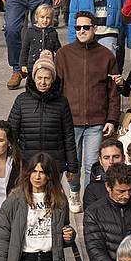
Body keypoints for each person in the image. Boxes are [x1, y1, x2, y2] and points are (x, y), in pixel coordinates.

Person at [55, 11, 120, 210]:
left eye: (85, 27)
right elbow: (57, 89)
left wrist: (112, 119)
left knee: (92, 164)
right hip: (70, 120)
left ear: (95, 29)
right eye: (78, 28)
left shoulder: (106, 56)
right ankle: (74, 192)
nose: (81, 31)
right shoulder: (64, 54)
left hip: (97, 121)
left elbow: (113, 92)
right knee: (72, 164)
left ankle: (91, 198)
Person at [8, 58, 78, 183]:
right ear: (34, 78)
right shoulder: (21, 100)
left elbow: (68, 136)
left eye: (47, 78)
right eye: (39, 78)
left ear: (53, 79)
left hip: (54, 164)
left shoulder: (62, 102)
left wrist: (72, 166)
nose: (43, 82)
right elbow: (11, 133)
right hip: (27, 164)